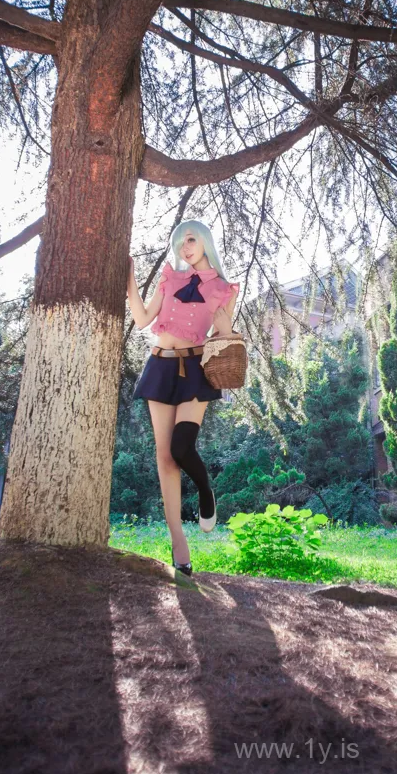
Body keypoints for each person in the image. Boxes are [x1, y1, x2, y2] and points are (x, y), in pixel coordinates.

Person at [125, 220, 240, 577]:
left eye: (191, 240)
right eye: (180, 243)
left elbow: (223, 337)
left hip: (195, 369)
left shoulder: (223, 289)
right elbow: (143, 318)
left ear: (204, 241)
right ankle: (179, 542)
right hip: (160, 366)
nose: (185, 248)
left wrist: (223, 328)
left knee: (182, 447)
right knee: (165, 458)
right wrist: (129, 277)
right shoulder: (170, 279)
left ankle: (206, 491)